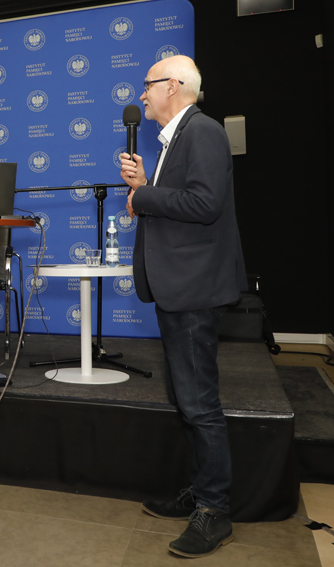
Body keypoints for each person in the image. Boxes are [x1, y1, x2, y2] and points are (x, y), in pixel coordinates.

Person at [119, 54, 246, 558]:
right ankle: (201, 491)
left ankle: (215, 511)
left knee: (200, 405)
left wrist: (145, 196)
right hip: (179, 287)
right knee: (188, 401)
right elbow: (185, 201)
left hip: (193, 289)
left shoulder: (204, 131)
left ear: (173, 86)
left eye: (147, 85)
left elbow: (204, 203)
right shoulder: (179, 138)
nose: (142, 94)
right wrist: (145, 184)